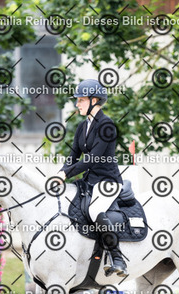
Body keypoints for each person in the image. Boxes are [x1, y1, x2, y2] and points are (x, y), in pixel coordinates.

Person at [57, 79, 127, 277]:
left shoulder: (107, 125)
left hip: (108, 181)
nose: (77, 104)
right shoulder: (82, 126)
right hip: (89, 181)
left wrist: (66, 174)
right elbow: (73, 156)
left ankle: (117, 258)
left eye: (81, 100)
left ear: (94, 100)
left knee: (95, 209)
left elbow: (92, 158)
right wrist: (60, 173)